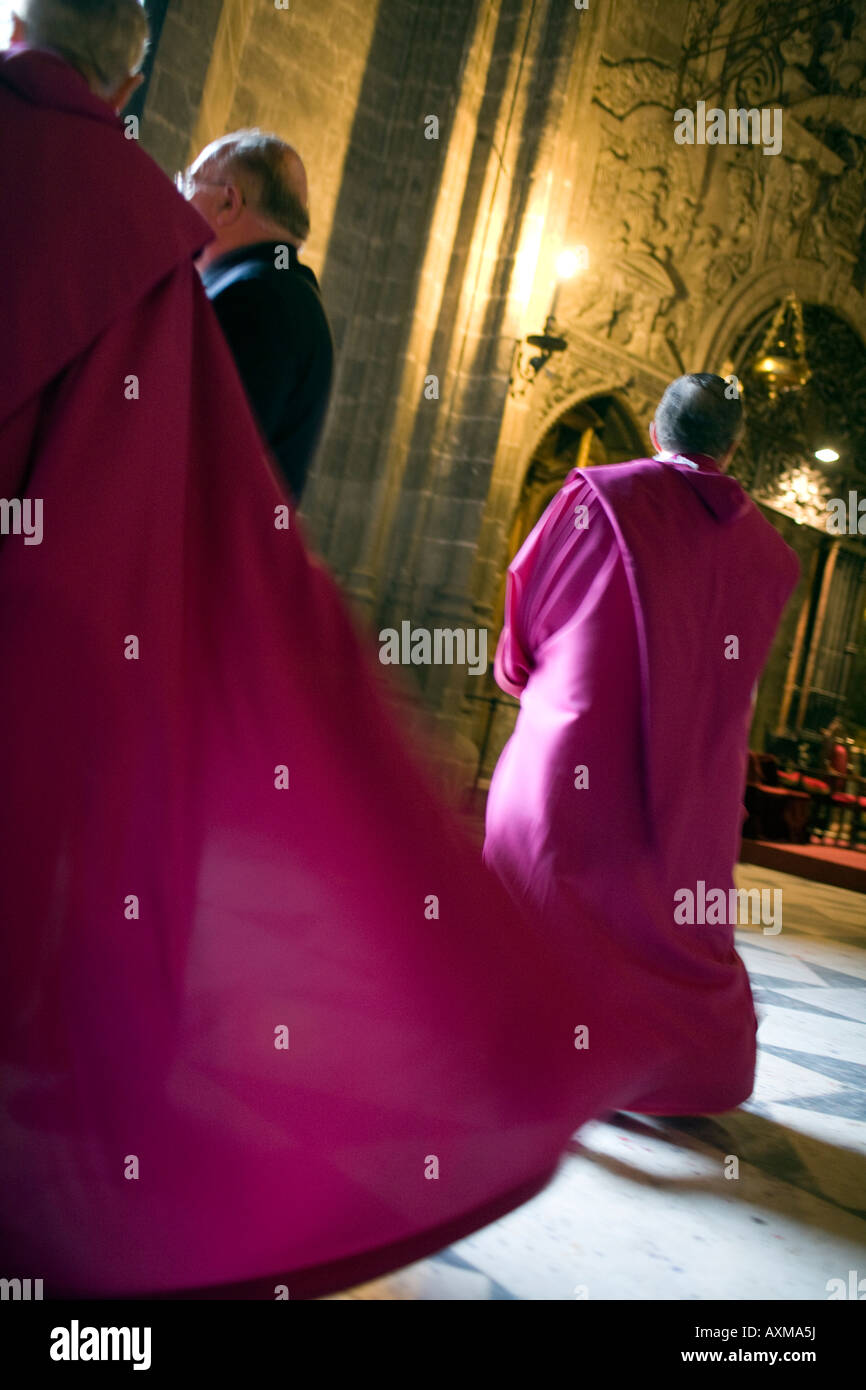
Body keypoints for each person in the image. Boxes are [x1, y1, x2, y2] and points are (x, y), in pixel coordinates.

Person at [0, 1, 593, 1300]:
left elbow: (215, 462)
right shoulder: (157, 243)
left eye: (210, 172)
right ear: (131, 67)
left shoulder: (249, 294)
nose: (189, 179)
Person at [485, 374, 800, 1116]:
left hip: (572, 756)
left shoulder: (598, 495)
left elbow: (527, 603)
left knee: (538, 894)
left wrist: (519, 673)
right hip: (691, 791)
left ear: (657, 433)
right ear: (732, 447)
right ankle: (649, 1069)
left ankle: (530, 1051)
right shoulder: (772, 557)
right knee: (659, 918)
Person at [183, 131, 333, 504]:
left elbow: (201, 455)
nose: (180, 198)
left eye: (187, 184)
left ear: (228, 202)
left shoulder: (254, 298)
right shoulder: (285, 291)